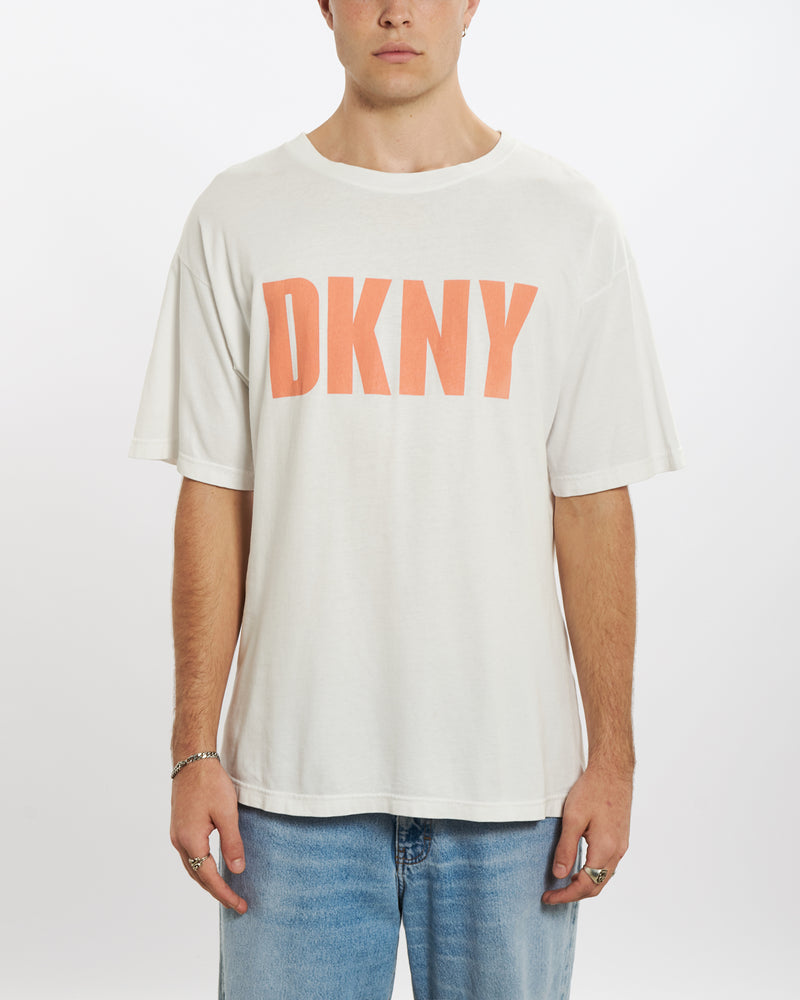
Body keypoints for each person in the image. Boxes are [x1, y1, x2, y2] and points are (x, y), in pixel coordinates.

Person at [128, 1, 685, 997]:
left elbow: (592, 506)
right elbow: (213, 494)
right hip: (287, 795)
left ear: (471, 5)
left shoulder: (565, 220)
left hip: (512, 791)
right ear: (324, 6)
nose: (395, 10)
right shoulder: (239, 215)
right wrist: (191, 751)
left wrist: (614, 761)